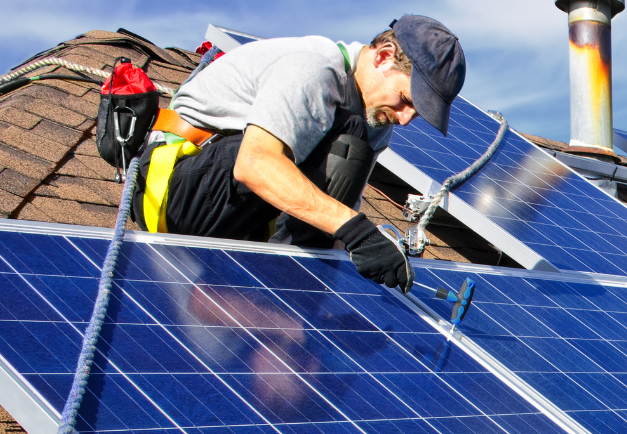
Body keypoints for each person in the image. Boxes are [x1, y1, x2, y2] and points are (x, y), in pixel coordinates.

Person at [133, 15, 466, 288]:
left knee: (354, 142)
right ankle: (278, 290)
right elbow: (254, 163)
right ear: (382, 56)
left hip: (236, 213)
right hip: (174, 194)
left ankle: (287, 293)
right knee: (346, 139)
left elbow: (337, 219)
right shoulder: (314, 68)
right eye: (406, 100)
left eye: (416, 113)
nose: (406, 119)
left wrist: (354, 291)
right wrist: (358, 231)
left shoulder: (374, 121)